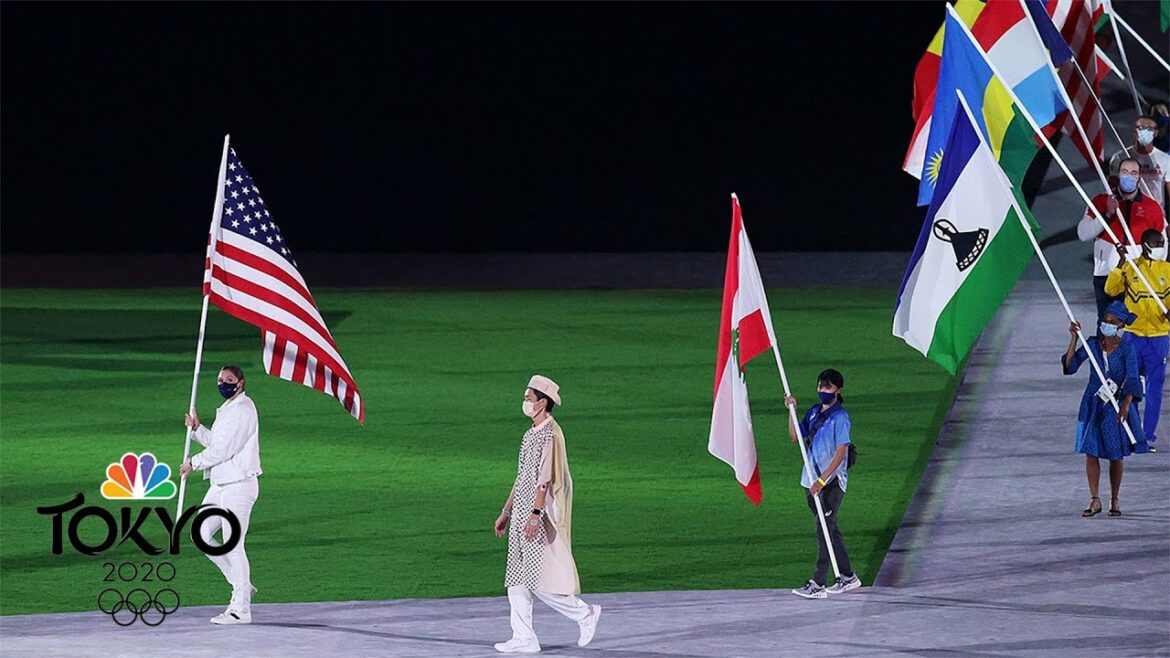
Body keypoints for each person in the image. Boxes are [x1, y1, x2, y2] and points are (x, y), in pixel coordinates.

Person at [493, 375, 600, 654]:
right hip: (521, 513)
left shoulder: (550, 434)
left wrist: (534, 515)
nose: (525, 403)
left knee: (536, 578)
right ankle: (524, 637)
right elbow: (522, 476)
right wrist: (506, 510)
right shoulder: (530, 434)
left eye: (528, 399)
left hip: (534, 515)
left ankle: (584, 613)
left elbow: (544, 479)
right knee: (515, 578)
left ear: (542, 402)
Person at [180, 365, 262, 625]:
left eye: (228, 380)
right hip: (221, 484)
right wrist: (196, 429)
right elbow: (217, 442)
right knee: (201, 534)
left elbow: (224, 449)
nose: (223, 383)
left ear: (240, 383)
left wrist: (194, 462)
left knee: (232, 544)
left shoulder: (244, 409)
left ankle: (241, 609)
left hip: (239, 485)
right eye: (220, 379)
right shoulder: (228, 409)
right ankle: (241, 583)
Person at [1062, 303, 1146, 518]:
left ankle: (1114, 499)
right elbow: (1070, 366)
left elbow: (1133, 378)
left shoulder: (1127, 349)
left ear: (1120, 324)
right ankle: (1095, 498)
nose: (1106, 324)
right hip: (1093, 404)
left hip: (1115, 407)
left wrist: (1127, 405)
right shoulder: (1091, 344)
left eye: (1111, 321)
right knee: (1091, 452)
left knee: (1115, 455)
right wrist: (1073, 338)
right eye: (1104, 320)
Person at [784, 369, 860, 600]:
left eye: (827, 387)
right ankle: (848, 577)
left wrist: (822, 480)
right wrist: (792, 411)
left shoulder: (841, 418)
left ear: (838, 390)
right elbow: (795, 436)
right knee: (831, 530)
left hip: (830, 484)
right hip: (810, 481)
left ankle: (818, 582)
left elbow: (840, 454)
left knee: (824, 531)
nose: (822, 391)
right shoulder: (815, 412)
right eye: (820, 387)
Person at [1078, 156, 1166, 319]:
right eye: (1125, 172)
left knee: (1136, 326)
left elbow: (1162, 246)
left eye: (1134, 173)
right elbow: (1083, 234)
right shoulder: (1100, 200)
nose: (1129, 176)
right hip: (1106, 275)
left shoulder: (1152, 206)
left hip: (1139, 278)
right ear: (1118, 174)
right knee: (1107, 324)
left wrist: (1150, 269)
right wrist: (1107, 214)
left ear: (1139, 177)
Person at [1105, 230, 1170, 448]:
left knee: (1155, 388)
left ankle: (1146, 435)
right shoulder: (1131, 267)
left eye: (1162, 242)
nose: (1161, 246)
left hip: (1159, 338)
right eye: (1156, 243)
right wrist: (1121, 263)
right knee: (1130, 386)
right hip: (1134, 337)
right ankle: (1129, 432)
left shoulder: (1168, 270)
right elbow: (1110, 289)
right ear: (1144, 245)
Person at [1107, 115, 1170, 211]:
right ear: (1134, 131)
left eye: (1149, 129)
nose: (1145, 132)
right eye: (1141, 128)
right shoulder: (1120, 158)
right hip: (1128, 212)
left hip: (1155, 213)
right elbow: (1112, 188)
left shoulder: (1165, 159)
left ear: (1156, 132)